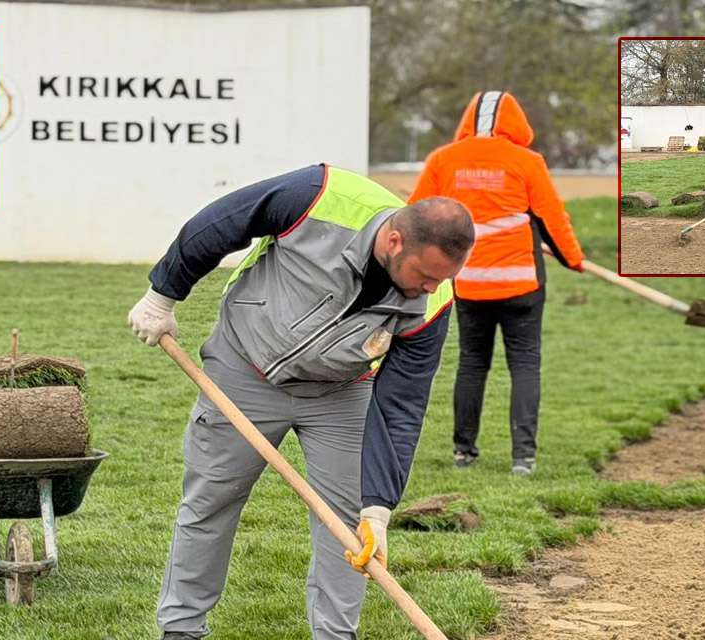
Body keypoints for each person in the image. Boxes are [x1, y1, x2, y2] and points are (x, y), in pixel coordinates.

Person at [127, 164, 475, 640]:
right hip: (244, 368)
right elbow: (223, 222)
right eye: (426, 274)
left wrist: (378, 506)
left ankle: (335, 636)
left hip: (342, 391)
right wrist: (163, 295)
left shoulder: (432, 303)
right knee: (210, 501)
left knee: (349, 528)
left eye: (444, 278)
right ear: (395, 241)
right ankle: (182, 629)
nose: (431, 288)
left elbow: (401, 407)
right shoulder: (320, 195)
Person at [408, 90, 584, 476]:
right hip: (521, 284)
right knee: (525, 364)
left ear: (468, 120)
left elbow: (417, 215)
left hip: (468, 282)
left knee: (472, 364)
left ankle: (463, 451)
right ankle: (523, 457)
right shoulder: (527, 161)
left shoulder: (443, 160)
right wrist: (573, 259)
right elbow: (551, 217)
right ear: (516, 122)